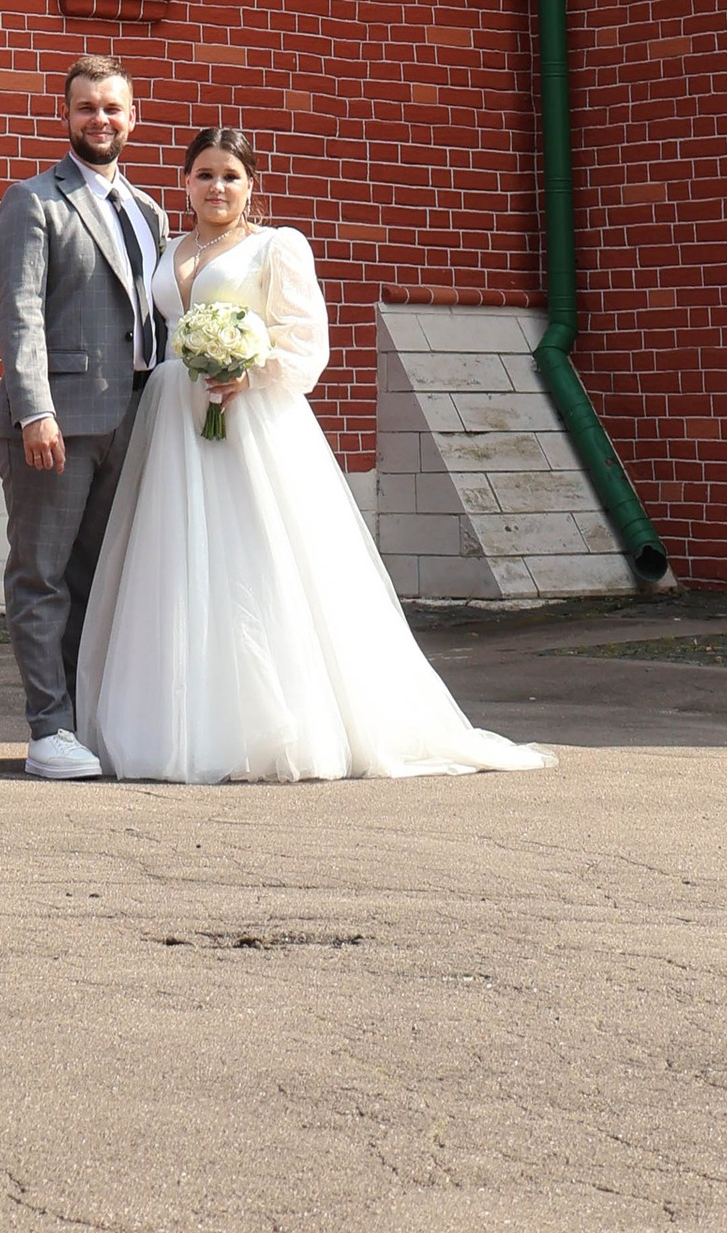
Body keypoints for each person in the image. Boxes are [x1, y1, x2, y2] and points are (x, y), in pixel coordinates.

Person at [75, 124, 554, 784]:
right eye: (205, 174)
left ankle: (280, 724)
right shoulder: (167, 247)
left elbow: (307, 342)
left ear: (251, 186)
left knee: (258, 559)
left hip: (251, 416)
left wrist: (250, 366)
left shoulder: (276, 247)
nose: (218, 187)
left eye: (231, 176)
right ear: (184, 183)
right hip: (173, 416)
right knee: (177, 560)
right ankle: (179, 719)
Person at [0, 55, 172, 782]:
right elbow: (20, 315)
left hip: (132, 420)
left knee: (102, 579)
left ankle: (85, 720)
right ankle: (48, 731)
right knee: (42, 575)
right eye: (86, 108)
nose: (100, 119)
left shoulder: (151, 211)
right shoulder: (34, 201)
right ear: (66, 117)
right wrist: (35, 411)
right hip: (56, 425)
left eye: (113, 108)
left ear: (134, 118)